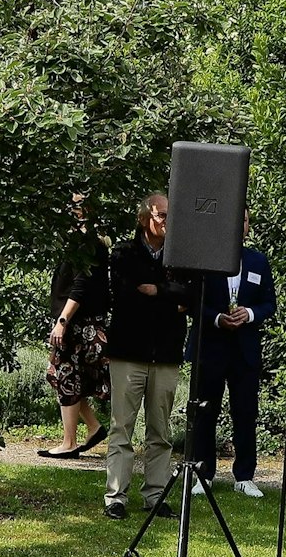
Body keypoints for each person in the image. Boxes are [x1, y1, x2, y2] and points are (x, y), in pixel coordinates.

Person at [101, 194, 189, 521]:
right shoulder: (124, 253)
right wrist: (169, 298)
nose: (167, 221)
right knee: (122, 426)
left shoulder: (181, 256)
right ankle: (116, 497)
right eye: (161, 215)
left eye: (171, 215)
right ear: (144, 219)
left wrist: (157, 291)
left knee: (160, 430)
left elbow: (189, 296)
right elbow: (126, 296)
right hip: (128, 352)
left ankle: (156, 495)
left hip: (165, 354)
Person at [187, 213, 276, 497]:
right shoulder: (206, 260)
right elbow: (192, 303)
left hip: (244, 350)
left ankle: (245, 477)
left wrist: (248, 314)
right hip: (211, 348)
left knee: (246, 413)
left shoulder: (257, 261)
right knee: (204, 412)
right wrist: (217, 319)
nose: (240, 225)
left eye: (246, 220)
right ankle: (203, 475)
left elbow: (268, 303)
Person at [39, 195, 110, 460]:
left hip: (78, 324)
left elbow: (79, 287)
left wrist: (62, 322)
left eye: (75, 206)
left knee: (65, 377)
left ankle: (69, 442)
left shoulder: (88, 244)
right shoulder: (79, 243)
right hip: (75, 322)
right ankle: (93, 427)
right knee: (62, 376)